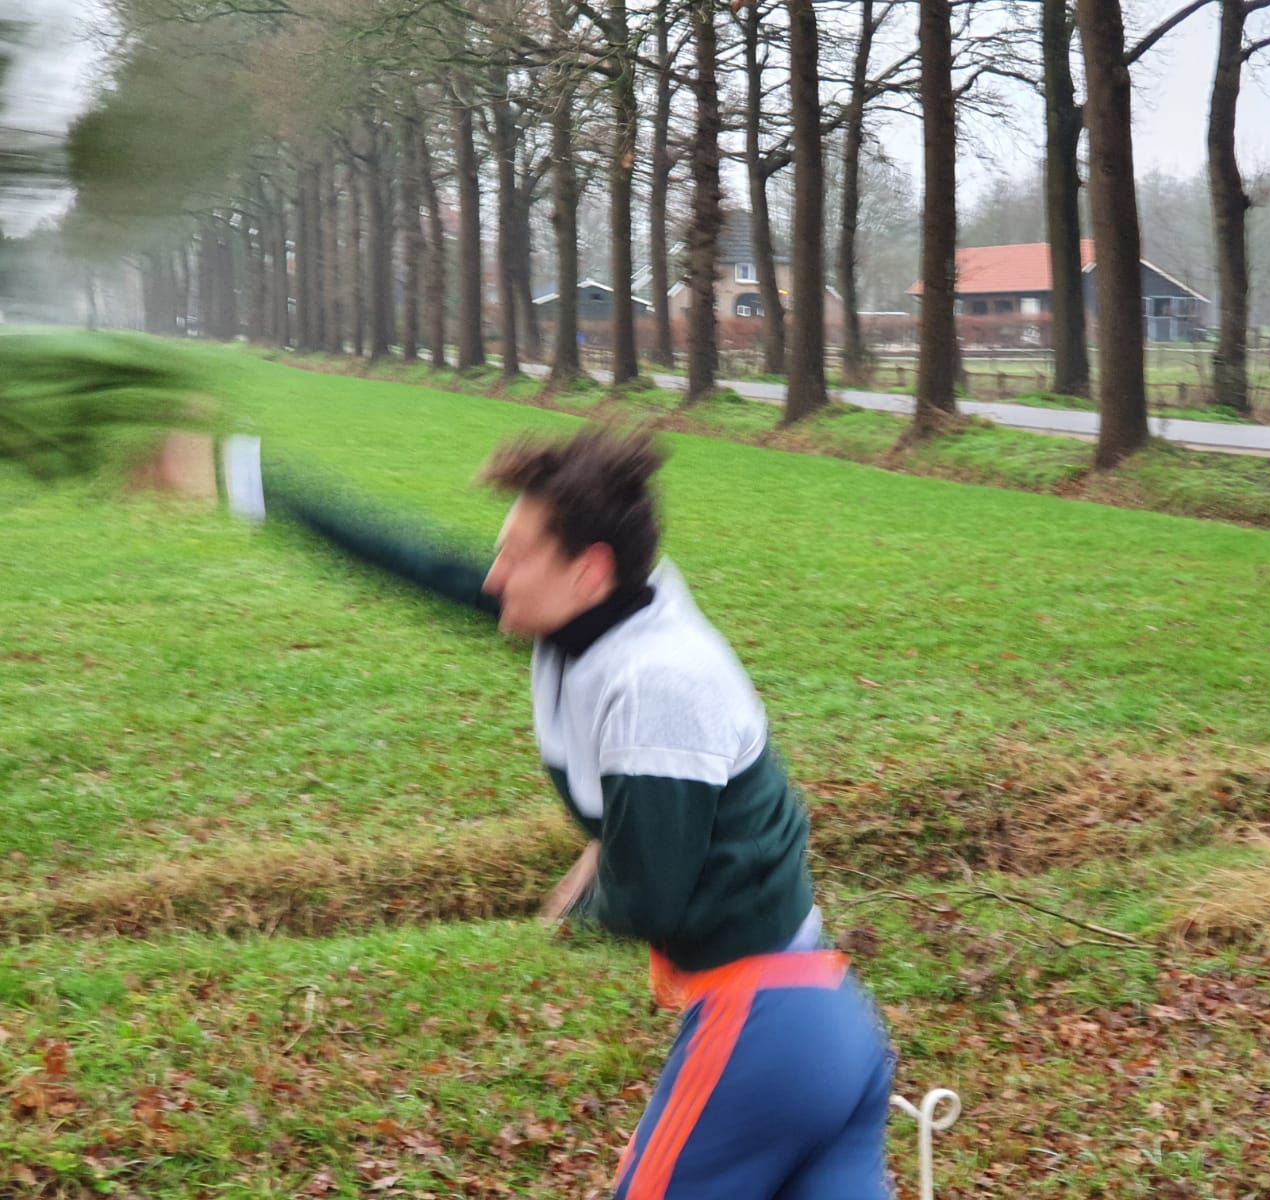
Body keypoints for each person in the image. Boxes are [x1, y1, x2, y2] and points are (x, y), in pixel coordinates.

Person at [154, 427, 895, 1199]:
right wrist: (246, 477)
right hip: (827, 1020)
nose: (493, 575)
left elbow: (650, 897)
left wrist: (583, 901)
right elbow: (417, 563)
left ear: (589, 570)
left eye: (515, 556)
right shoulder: (598, 612)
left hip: (765, 1029)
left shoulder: (659, 682)